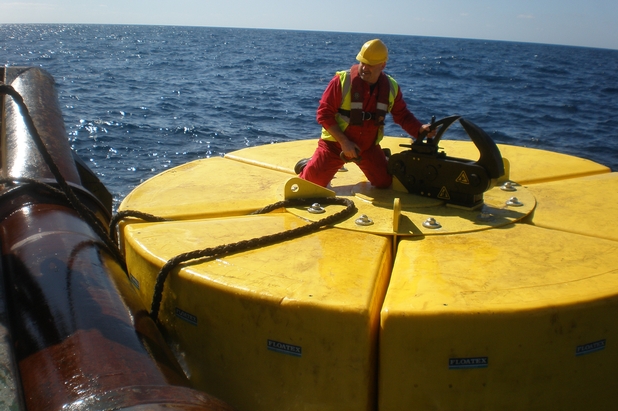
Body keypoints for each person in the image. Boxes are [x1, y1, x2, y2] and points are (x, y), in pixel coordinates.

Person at [296, 39, 436, 188]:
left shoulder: (391, 87)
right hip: (335, 145)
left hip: (368, 147)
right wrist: (344, 142)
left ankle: (383, 158)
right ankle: (310, 164)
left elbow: (402, 115)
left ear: (382, 65)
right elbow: (324, 114)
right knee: (311, 184)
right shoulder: (342, 81)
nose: (364, 68)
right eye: (362, 62)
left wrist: (419, 129)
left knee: (385, 183)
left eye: (370, 64)